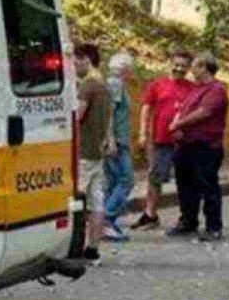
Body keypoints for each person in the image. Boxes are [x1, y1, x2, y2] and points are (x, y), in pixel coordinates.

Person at [166, 52, 228, 241]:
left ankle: (213, 226)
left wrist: (179, 124)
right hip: (186, 144)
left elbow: (204, 112)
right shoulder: (196, 89)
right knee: (184, 185)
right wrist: (176, 125)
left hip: (206, 146)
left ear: (204, 68)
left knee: (207, 185)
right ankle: (188, 220)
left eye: (195, 66)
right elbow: (184, 109)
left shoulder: (216, 89)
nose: (190, 69)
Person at [132, 49, 194, 230]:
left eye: (183, 66)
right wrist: (143, 132)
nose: (179, 69)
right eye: (176, 65)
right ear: (170, 64)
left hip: (185, 142)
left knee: (186, 181)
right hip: (161, 141)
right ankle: (150, 214)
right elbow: (146, 108)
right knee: (155, 178)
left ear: (189, 68)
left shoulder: (193, 88)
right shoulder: (158, 85)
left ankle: (187, 218)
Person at [73, 42, 112, 265]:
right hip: (97, 152)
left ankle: (74, 246)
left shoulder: (88, 86)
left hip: (84, 152)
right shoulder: (104, 85)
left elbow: (77, 116)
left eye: (76, 61)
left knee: (77, 200)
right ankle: (93, 248)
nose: (73, 66)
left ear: (86, 60)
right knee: (97, 202)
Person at [102, 51, 136, 241]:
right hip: (117, 141)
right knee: (126, 180)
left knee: (113, 181)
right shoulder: (115, 84)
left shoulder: (115, 84)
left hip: (117, 139)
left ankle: (105, 221)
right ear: (125, 69)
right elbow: (109, 113)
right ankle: (106, 219)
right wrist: (111, 139)